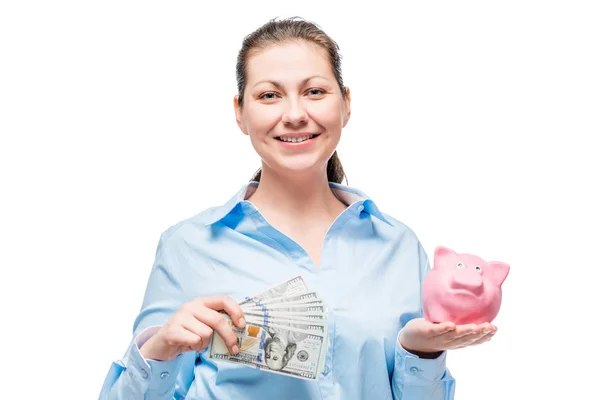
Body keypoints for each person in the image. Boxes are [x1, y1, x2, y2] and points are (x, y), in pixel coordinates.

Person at [99, 16, 497, 399]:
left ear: (346, 104)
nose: (293, 115)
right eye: (269, 95)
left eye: (315, 92)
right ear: (240, 112)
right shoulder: (187, 246)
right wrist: (158, 351)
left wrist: (420, 352)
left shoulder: (397, 245)